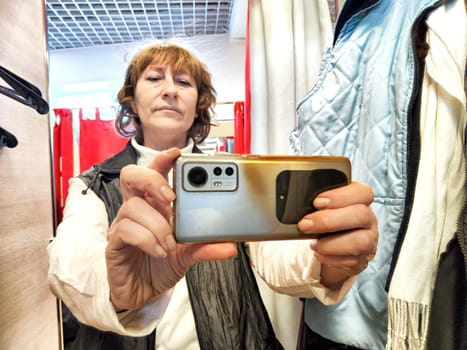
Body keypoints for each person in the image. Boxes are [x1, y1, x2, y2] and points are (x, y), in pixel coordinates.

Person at [47, 42, 378, 350]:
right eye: (154, 78)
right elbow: (70, 265)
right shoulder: (93, 184)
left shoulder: (241, 177)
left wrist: (329, 262)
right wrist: (119, 293)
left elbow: (276, 258)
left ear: (199, 106)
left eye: (184, 82)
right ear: (132, 99)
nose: (170, 91)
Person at [250, 0, 466, 349]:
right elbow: (276, 247)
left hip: (425, 318)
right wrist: (326, 266)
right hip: (334, 322)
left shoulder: (437, 19)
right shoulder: (352, 28)